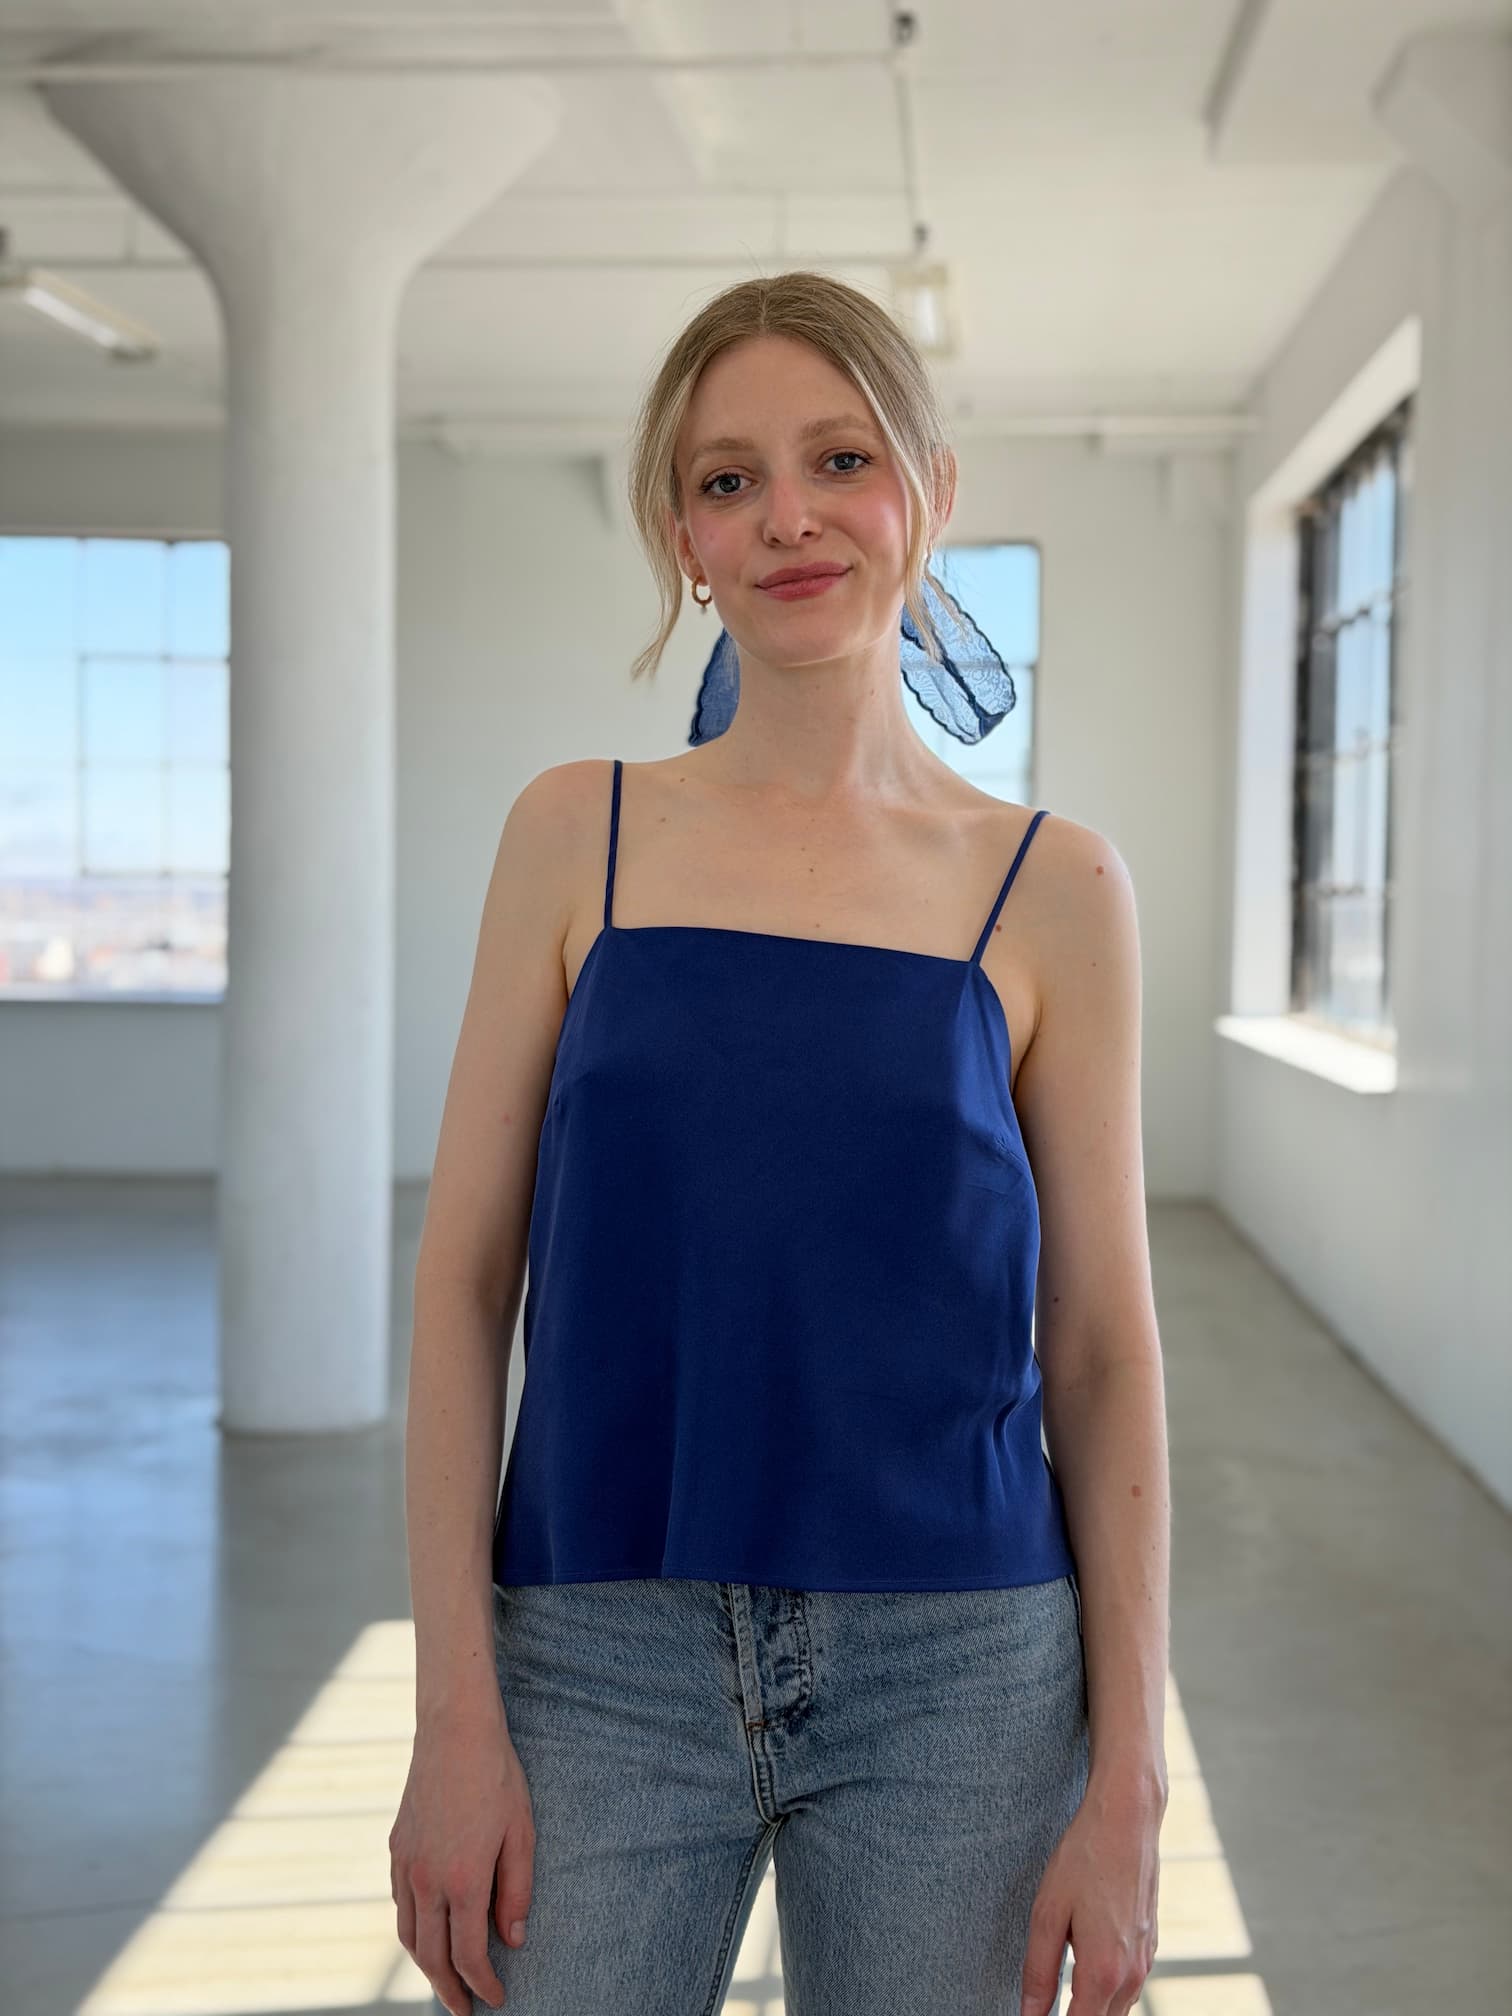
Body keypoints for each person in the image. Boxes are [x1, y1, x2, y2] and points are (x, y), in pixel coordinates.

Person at [390, 271, 1171, 2016]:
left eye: (840, 457)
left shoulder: (1056, 887)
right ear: (680, 530)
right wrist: (454, 1711)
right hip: (598, 1650)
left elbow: (1106, 1349)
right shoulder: (570, 833)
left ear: (931, 490)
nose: (789, 516)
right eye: (728, 478)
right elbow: (460, 1287)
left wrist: (1128, 1778)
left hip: (961, 1669)